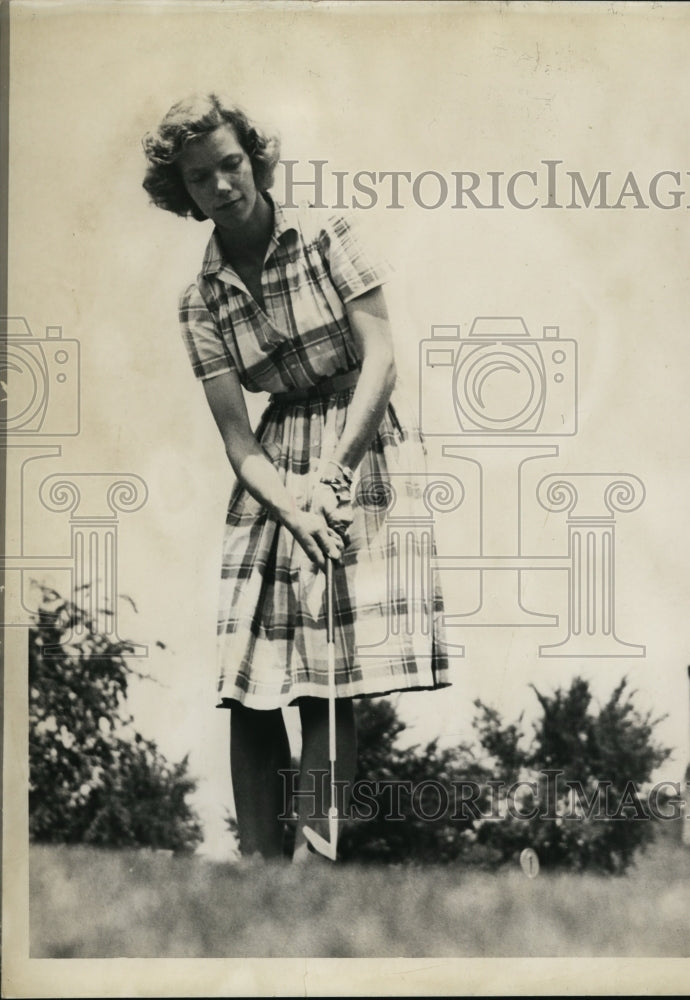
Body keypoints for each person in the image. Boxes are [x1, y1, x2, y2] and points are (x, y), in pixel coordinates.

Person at [142, 93, 450, 863]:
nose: (221, 186)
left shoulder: (324, 235)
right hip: (273, 468)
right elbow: (237, 438)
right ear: (182, 192)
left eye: (230, 164)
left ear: (254, 158)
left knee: (324, 670)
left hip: (357, 436)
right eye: (200, 178)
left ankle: (315, 862)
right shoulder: (199, 299)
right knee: (246, 670)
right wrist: (289, 501)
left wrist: (334, 478)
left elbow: (380, 358)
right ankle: (257, 866)